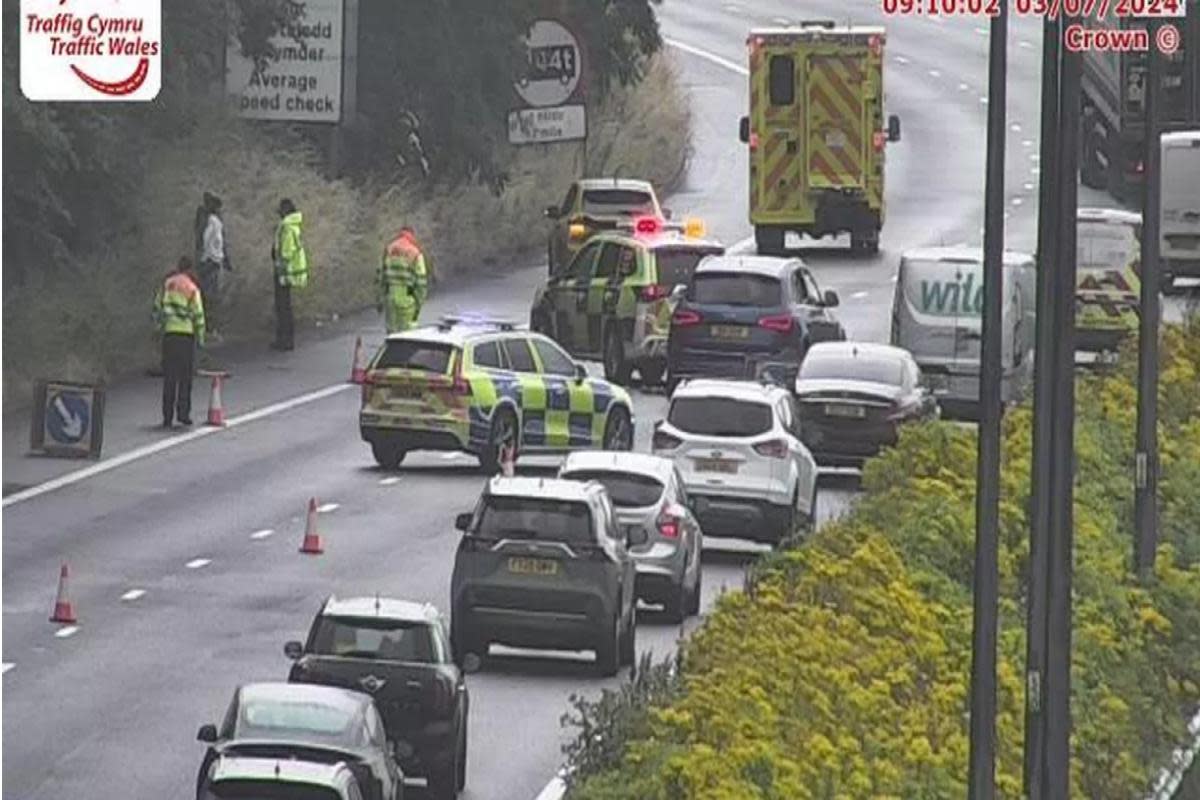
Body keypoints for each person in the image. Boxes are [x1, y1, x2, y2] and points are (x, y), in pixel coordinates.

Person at [153, 257, 206, 428]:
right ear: (190, 269)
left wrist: (159, 327)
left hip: (169, 335)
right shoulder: (191, 288)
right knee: (185, 378)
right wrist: (201, 337)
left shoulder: (167, 285)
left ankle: (167, 417)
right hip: (186, 335)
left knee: (169, 377)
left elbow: (157, 308)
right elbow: (198, 315)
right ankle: (183, 414)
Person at [271, 198, 308, 351]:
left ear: (286, 210)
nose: (278, 212)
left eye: (280, 209)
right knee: (285, 307)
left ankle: (285, 341)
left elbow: (285, 252)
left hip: (284, 273)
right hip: (290, 273)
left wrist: (280, 268)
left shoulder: (286, 226)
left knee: (283, 308)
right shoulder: (294, 226)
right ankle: (286, 339)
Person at [378, 226, 428, 334]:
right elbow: (421, 281)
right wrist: (419, 303)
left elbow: (381, 276)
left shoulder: (389, 249)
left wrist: (379, 299)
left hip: (390, 298)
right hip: (407, 299)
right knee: (407, 335)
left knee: (392, 334)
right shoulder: (415, 252)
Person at [197, 193, 233, 340]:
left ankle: (208, 329)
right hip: (211, 261)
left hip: (211, 261)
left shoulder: (210, 220)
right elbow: (207, 242)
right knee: (210, 296)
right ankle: (209, 330)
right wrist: (219, 258)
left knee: (209, 296)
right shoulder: (211, 221)